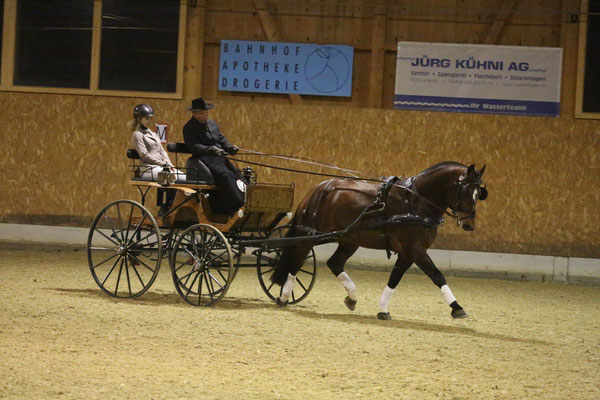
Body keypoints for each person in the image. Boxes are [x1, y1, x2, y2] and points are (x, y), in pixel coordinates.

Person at [183, 97, 245, 215]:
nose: (204, 116)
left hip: (220, 157)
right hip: (204, 159)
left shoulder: (212, 123)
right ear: (194, 114)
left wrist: (229, 148)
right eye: (201, 113)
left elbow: (221, 139)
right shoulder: (189, 128)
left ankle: (243, 201)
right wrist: (211, 149)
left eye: (206, 113)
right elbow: (194, 147)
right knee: (225, 176)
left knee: (236, 173)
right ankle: (235, 205)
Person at [129, 103, 185, 217]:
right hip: (147, 169)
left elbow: (162, 151)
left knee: (183, 177)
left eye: (150, 118)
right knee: (171, 177)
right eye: (146, 118)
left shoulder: (153, 134)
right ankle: (165, 207)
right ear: (139, 119)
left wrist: (169, 164)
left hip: (161, 167)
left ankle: (173, 207)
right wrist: (162, 163)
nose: (149, 121)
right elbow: (144, 155)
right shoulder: (137, 135)